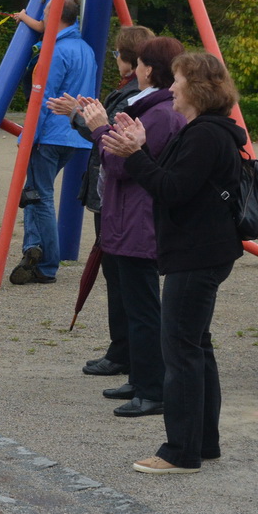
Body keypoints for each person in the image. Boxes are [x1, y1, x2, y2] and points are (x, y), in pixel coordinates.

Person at [101, 52, 244, 474]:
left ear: (196, 89)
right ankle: (204, 441)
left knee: (181, 349)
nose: (172, 88)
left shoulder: (204, 135)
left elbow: (171, 189)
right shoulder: (209, 131)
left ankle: (181, 451)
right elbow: (177, 179)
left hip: (196, 252)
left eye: (178, 81)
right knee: (197, 346)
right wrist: (141, 148)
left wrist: (134, 155)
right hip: (204, 249)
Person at [71, 35, 186, 419]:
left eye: (137, 64)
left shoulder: (158, 113)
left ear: (149, 70)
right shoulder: (152, 108)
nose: (133, 70)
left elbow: (121, 163)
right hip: (128, 219)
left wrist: (101, 129)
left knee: (143, 309)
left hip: (139, 223)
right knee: (134, 304)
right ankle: (140, 377)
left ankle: (152, 388)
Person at [52, 24, 154, 376]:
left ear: (130, 60)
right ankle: (124, 349)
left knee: (122, 275)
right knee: (117, 274)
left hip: (117, 195)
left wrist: (82, 118)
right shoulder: (128, 92)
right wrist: (81, 115)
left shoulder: (135, 97)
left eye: (118, 56)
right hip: (110, 192)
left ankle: (125, 352)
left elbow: (108, 137)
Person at [10, 0, 97, 284]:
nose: (43, 17)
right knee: (35, 191)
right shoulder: (85, 49)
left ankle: (46, 264)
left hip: (50, 134)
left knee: (41, 196)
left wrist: (29, 137)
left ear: (57, 15)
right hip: (74, 135)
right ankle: (32, 248)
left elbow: (44, 97)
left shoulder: (56, 52)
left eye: (47, 12)